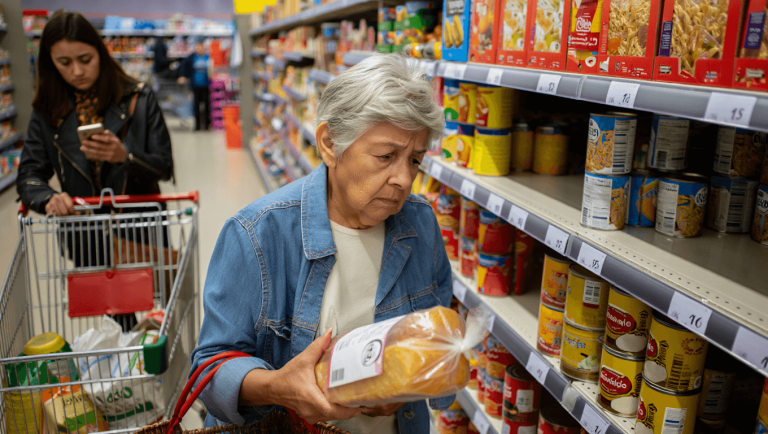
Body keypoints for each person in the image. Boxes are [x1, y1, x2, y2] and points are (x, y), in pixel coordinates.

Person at [190, 54, 452, 434]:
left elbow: (435, 332)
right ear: (330, 144)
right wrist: (276, 388)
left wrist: (414, 379)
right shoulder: (257, 233)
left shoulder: (420, 224)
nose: (403, 179)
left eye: (414, 160)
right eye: (386, 156)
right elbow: (209, 370)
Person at [16, 10, 174, 328]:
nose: (76, 71)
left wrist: (125, 157)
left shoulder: (138, 99)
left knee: (156, 318)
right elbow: (30, 173)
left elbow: (165, 165)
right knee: (113, 322)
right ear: (50, 62)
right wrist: (46, 197)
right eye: (64, 62)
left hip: (139, 230)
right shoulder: (47, 112)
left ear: (100, 52)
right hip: (85, 235)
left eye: (85, 59)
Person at [178, 41, 212, 131]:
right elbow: (184, 65)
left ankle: (207, 125)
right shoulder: (192, 57)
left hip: (206, 85)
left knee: (206, 105)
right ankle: (197, 126)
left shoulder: (208, 57)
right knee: (196, 105)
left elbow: (212, 68)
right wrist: (183, 76)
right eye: (197, 48)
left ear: (203, 48)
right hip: (195, 85)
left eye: (200, 48)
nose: (199, 49)